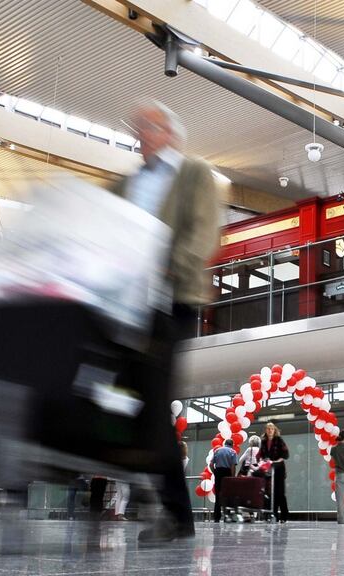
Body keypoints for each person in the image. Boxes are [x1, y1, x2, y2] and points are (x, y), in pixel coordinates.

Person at [113, 101, 225, 542]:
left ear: (168, 133)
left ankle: (174, 513)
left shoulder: (192, 173)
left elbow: (202, 230)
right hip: (126, 305)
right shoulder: (128, 183)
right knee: (125, 395)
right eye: (137, 126)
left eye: (147, 126)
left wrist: (166, 264)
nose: (140, 134)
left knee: (155, 398)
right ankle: (142, 480)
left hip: (172, 300)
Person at [259, 422, 290, 522]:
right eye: (268, 429)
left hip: (279, 468)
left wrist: (275, 461)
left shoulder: (279, 440)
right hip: (268, 469)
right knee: (271, 493)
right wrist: (263, 461)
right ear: (266, 430)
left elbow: (285, 455)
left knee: (280, 492)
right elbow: (260, 455)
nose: (270, 430)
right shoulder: (263, 441)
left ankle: (284, 516)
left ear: (274, 430)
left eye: (272, 429)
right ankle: (274, 515)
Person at [211, 439, 238, 523]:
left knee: (218, 495)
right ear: (232, 444)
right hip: (227, 473)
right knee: (227, 495)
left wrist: (215, 472)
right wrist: (232, 477)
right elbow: (233, 466)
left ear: (224, 443)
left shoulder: (217, 450)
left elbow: (211, 464)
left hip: (218, 472)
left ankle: (216, 517)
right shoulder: (233, 452)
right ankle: (227, 516)